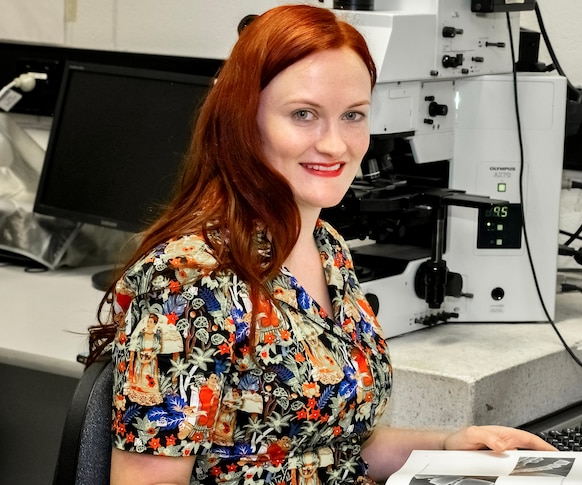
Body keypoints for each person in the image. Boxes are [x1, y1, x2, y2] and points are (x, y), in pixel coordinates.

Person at [87, 4, 555, 484]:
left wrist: (448, 445)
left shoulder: (326, 247)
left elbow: (338, 446)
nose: (335, 145)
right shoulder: (188, 282)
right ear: (244, 122)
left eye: (353, 115)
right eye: (304, 114)